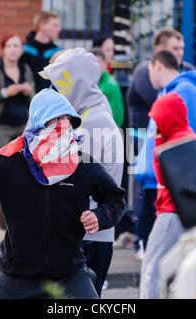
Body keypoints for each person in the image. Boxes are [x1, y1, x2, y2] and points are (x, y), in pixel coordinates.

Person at [0, 89, 125, 299]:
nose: (61, 126)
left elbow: (115, 200)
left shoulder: (83, 164)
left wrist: (100, 216)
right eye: (54, 120)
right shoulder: (9, 165)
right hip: (17, 276)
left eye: (67, 119)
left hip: (69, 275)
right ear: (37, 124)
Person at [40, 48, 124, 297]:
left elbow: (66, 180)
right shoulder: (91, 112)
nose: (54, 90)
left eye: (58, 83)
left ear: (73, 82)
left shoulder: (91, 122)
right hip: (89, 234)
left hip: (87, 235)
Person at [135, 50, 196, 252]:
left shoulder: (185, 90)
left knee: (159, 252)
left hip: (164, 182)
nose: (149, 77)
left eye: (149, 71)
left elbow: (184, 135)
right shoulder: (166, 91)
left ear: (158, 66)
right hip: (153, 179)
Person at [139, 92, 196, 299]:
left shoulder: (174, 141)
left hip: (171, 213)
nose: (155, 123)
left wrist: (158, 142)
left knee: (151, 269)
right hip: (181, 213)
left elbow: (163, 175)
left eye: (158, 118)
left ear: (168, 116)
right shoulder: (185, 135)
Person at [0, 33, 33, 149]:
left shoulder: (25, 69)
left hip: (22, 125)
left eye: (16, 46)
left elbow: (33, 102)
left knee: (22, 162)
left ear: (22, 50)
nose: (12, 50)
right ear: (2, 50)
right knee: (3, 162)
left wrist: (29, 93)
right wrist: (4, 93)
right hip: (0, 126)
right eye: (8, 46)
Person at [22, 11, 62, 93]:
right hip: (27, 100)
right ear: (42, 26)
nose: (59, 29)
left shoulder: (58, 52)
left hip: (50, 99)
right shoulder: (23, 50)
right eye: (55, 25)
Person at [90, 48, 124, 128]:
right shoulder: (90, 82)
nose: (95, 65)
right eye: (92, 62)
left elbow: (117, 118)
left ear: (105, 64)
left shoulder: (111, 87)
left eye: (98, 62)